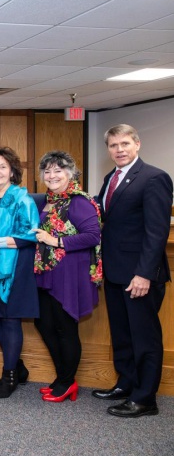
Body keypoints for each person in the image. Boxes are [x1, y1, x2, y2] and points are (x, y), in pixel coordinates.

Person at [92, 124, 173, 418]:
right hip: (115, 273)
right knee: (122, 335)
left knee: (144, 337)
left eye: (125, 143)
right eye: (113, 145)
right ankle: (126, 384)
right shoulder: (110, 178)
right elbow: (106, 221)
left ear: (137, 144)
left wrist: (144, 274)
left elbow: (157, 231)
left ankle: (145, 398)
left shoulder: (154, 178)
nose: (119, 150)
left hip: (140, 275)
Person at [32, 151, 102, 403]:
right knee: (45, 325)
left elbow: (93, 235)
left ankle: (67, 381)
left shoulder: (78, 201)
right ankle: (62, 377)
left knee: (65, 328)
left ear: (70, 173)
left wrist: (56, 240)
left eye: (57, 170)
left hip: (69, 273)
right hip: (46, 271)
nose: (51, 176)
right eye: (47, 171)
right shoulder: (48, 201)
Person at [0, 147, 39, 399]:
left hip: (14, 265)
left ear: (12, 171)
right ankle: (19, 366)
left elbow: (30, 235)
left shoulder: (22, 198)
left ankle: (10, 374)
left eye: (2, 167)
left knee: (10, 318)